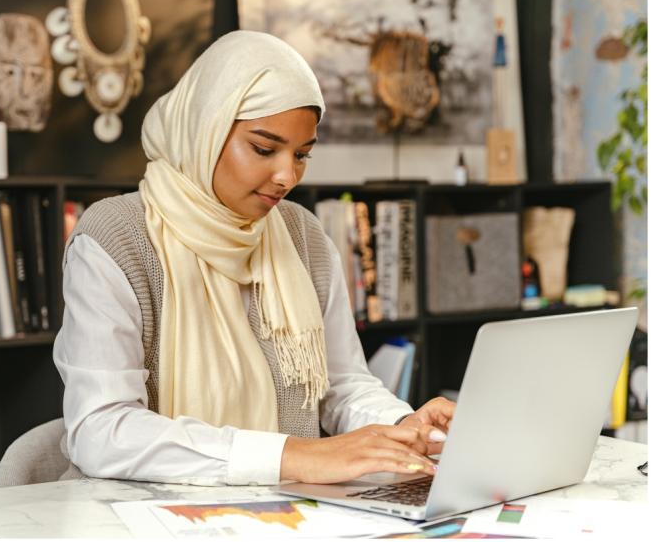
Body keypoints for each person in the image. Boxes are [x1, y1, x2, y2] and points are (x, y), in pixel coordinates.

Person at [53, 30, 455, 487]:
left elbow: (341, 386)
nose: (287, 176)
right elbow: (102, 430)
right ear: (205, 127)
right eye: (264, 149)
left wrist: (400, 429)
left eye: (302, 154)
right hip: (134, 518)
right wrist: (293, 456)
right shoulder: (115, 237)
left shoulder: (303, 235)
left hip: (276, 515)